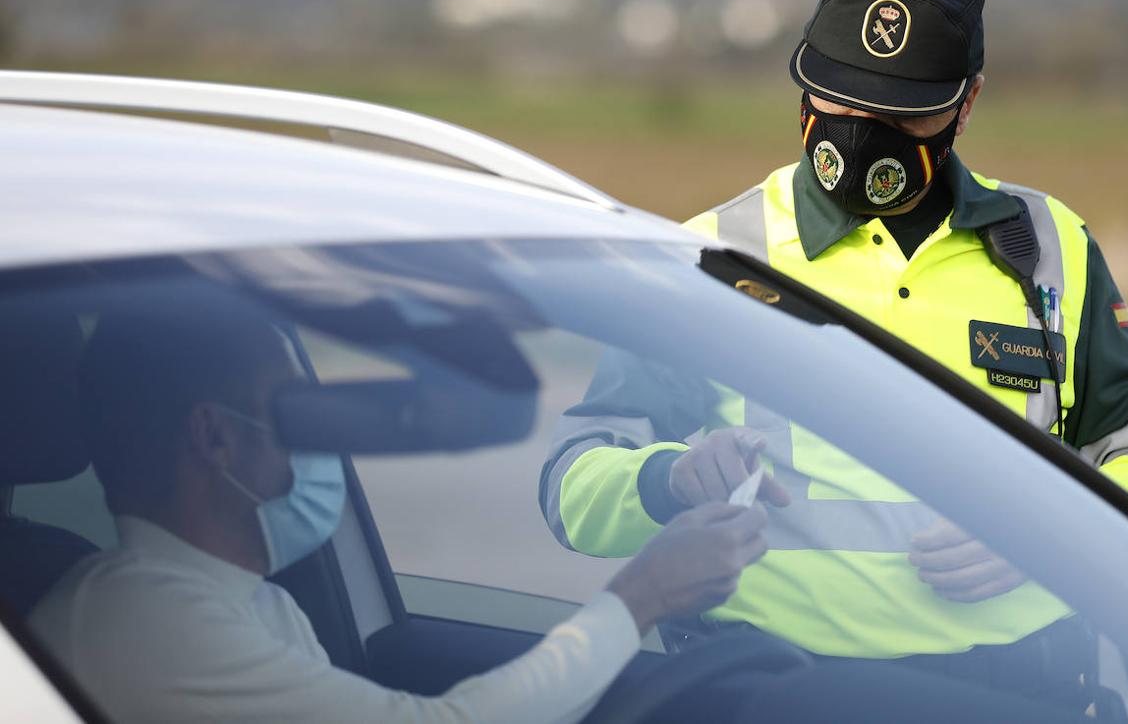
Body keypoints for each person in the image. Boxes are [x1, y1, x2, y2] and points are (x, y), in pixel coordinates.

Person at [540, 0, 1128, 699]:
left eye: (900, 110)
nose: (860, 132)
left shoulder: (1051, 248)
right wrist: (669, 480)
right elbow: (571, 485)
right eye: (843, 99)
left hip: (1015, 693)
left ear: (967, 102)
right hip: (776, 692)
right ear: (803, 87)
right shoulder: (711, 256)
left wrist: (1057, 536)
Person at [28, 292, 768, 723]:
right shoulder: (142, 619)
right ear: (215, 437)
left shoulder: (247, 606)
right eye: (300, 408)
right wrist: (639, 600)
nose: (321, 438)